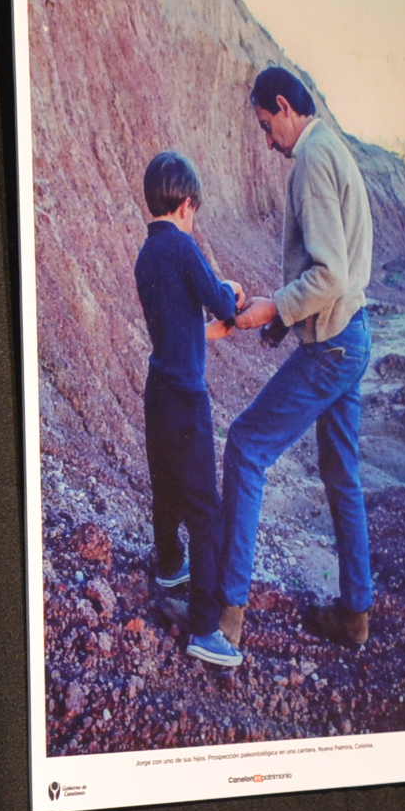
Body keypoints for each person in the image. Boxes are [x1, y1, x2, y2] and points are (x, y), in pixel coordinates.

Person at [206, 64, 371, 664]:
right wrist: (278, 317)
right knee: (343, 473)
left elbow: (328, 274)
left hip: (332, 346)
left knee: (246, 446)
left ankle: (227, 621)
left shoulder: (310, 161)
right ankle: (355, 614)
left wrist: (276, 307)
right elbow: (338, 276)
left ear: (283, 106)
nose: (266, 141)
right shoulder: (335, 150)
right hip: (351, 334)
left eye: (264, 125)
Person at [120, 150, 251, 666]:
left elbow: (176, 324)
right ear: (187, 203)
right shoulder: (183, 246)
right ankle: (203, 628)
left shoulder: (145, 256)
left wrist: (206, 333)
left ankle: (170, 567)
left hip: (158, 391)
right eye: (194, 209)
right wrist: (232, 292)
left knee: (167, 491)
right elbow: (221, 304)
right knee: (206, 512)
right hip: (187, 399)